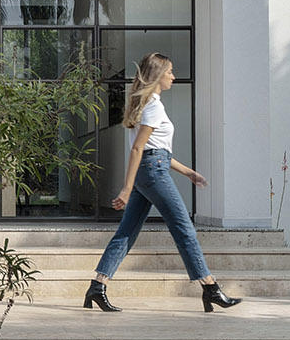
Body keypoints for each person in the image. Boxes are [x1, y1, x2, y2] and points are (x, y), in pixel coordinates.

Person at [84, 52, 241, 313]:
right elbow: (139, 149)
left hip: (152, 168)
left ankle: (97, 286)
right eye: (169, 72)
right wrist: (126, 187)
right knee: (184, 228)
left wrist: (188, 172)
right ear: (157, 75)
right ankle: (210, 288)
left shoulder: (145, 104)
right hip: (152, 172)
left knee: (126, 232)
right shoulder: (153, 106)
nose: (173, 77)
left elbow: (157, 152)